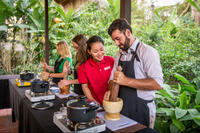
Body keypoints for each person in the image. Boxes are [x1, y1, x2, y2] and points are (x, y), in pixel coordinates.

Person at [105, 18, 163, 128]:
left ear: (128, 32)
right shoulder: (119, 54)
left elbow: (157, 84)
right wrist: (110, 90)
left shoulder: (147, 52)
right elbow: (113, 79)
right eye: (114, 40)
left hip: (142, 109)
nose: (116, 43)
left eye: (118, 39)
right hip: (123, 108)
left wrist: (126, 81)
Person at [78, 35, 115, 104]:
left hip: (112, 101)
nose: (100, 54)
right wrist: (93, 101)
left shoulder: (111, 61)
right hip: (96, 103)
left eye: (101, 50)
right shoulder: (83, 67)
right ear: (89, 52)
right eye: (95, 51)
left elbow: (115, 80)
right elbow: (85, 87)